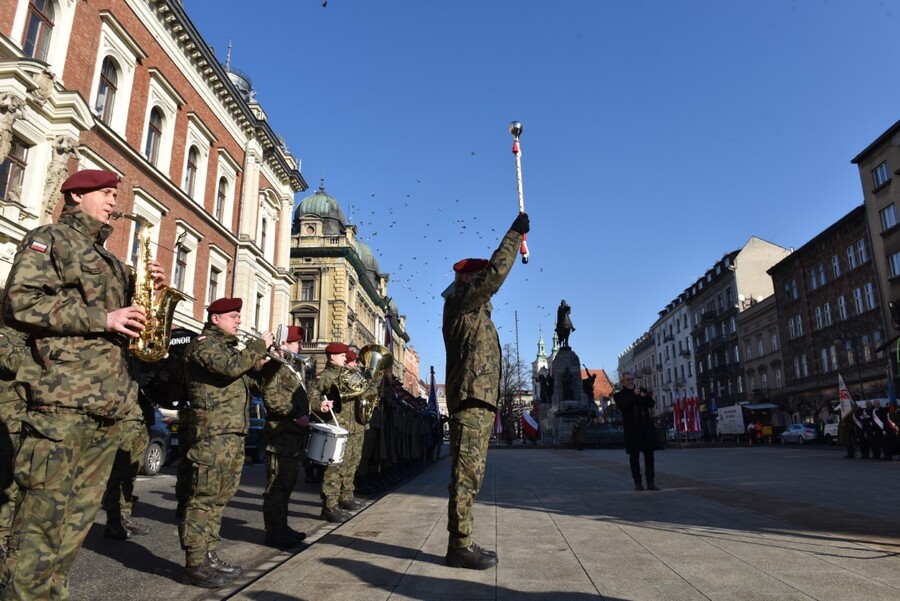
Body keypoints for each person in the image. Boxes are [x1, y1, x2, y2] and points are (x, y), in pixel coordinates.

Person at [0, 169, 165, 600]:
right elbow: (20, 301)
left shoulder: (109, 259)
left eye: (114, 194)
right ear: (76, 195)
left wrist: (151, 295)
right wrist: (103, 318)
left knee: (74, 527)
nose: (113, 201)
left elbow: (129, 322)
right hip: (62, 404)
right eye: (106, 193)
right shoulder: (50, 238)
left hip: (106, 406)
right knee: (40, 527)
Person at [442, 212, 529, 570]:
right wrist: (514, 234)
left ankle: (462, 541)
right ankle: (459, 545)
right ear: (469, 279)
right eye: (479, 276)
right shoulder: (462, 301)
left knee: (471, 474)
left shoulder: (478, 314)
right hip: (470, 401)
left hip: (480, 403)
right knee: (465, 475)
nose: (485, 281)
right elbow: (495, 276)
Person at [178, 297, 272, 589]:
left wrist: (265, 365)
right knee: (202, 498)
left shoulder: (231, 351)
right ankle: (194, 563)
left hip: (232, 435)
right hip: (211, 434)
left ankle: (209, 554)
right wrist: (256, 348)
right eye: (233, 316)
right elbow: (229, 368)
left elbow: (252, 385)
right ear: (216, 318)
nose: (239, 321)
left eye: (238, 316)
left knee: (220, 499)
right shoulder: (203, 345)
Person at [310, 342, 376, 524]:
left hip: (355, 425)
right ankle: (329, 506)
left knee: (351, 463)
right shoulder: (326, 376)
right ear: (332, 357)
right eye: (342, 356)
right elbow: (312, 395)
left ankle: (345, 497)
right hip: (338, 425)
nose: (346, 358)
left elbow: (369, 394)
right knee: (334, 467)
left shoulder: (352, 374)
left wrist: (370, 385)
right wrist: (319, 405)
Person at [258, 325, 310, 549]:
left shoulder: (292, 366)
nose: (300, 347)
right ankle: (274, 532)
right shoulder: (277, 366)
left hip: (293, 435)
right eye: (297, 342)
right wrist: (296, 415)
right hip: (281, 434)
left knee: (287, 485)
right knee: (277, 487)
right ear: (285, 343)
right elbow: (272, 398)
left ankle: (282, 527)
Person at [100, 391, 154, 540]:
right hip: (126, 414)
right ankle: (114, 521)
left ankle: (124, 517)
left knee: (131, 472)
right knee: (118, 472)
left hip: (143, 415)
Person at [0, 324, 27, 563]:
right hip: (8, 423)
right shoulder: (4, 336)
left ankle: (9, 536)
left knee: (18, 483)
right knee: (6, 484)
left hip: (23, 422)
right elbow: (12, 364)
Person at [614, 371, 661, 491]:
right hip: (632, 429)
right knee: (634, 456)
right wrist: (634, 396)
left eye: (631, 379)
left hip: (646, 427)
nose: (630, 381)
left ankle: (650, 482)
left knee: (649, 455)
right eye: (627, 380)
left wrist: (645, 397)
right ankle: (638, 482)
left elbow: (651, 404)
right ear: (622, 382)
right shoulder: (619, 395)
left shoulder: (642, 390)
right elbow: (623, 406)